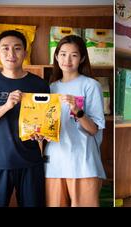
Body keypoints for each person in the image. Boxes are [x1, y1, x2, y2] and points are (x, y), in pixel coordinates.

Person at [0, 30, 49, 207]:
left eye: (17, 48)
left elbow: (45, 122)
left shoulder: (39, 84)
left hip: (31, 163)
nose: (11, 54)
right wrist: (6, 106)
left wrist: (42, 133)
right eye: (5, 48)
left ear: (25, 54)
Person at [44, 35, 106, 207]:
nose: (67, 60)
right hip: (54, 162)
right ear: (56, 57)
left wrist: (78, 111)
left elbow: (94, 129)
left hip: (82, 162)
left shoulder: (91, 85)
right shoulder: (50, 88)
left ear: (82, 58)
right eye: (63, 54)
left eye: (74, 55)